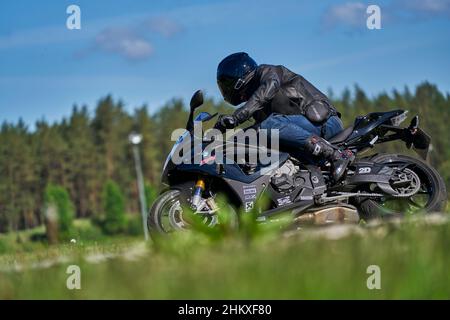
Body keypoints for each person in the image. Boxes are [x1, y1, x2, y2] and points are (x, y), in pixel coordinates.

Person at [215, 52, 354, 182]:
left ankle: (335, 155)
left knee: (269, 126)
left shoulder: (268, 72)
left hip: (325, 124)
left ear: (237, 78)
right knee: (246, 138)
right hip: (304, 133)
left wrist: (238, 116)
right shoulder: (258, 107)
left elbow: (269, 88)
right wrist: (225, 143)